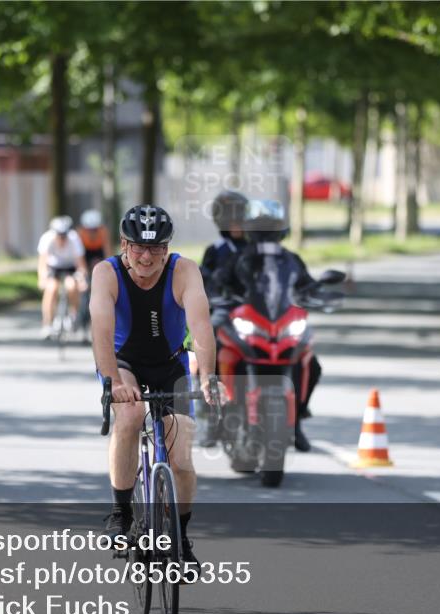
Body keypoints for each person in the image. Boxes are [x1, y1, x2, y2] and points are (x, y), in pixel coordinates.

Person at [89, 204, 223, 566]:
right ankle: (121, 513)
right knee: (130, 417)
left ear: (166, 248)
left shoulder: (184, 270)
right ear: (124, 246)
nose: (147, 257)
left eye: (156, 248)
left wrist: (208, 375)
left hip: (170, 363)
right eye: (138, 247)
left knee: (180, 458)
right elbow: (100, 331)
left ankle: (181, 537)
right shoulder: (107, 273)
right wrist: (113, 381)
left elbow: (201, 326)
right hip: (123, 363)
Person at [218, 199, 323, 453]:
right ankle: (217, 410)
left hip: (281, 326)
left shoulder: (291, 260)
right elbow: (218, 281)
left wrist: (317, 294)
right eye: (260, 226)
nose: (266, 231)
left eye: (271, 225)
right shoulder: (239, 258)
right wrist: (215, 292)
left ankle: (296, 420)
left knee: (311, 364)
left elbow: (306, 286)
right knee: (214, 345)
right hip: (248, 323)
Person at [38, 215, 88, 340]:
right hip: (53, 267)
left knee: (71, 286)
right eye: (59, 235)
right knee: (51, 288)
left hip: (70, 267)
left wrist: (82, 279)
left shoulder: (74, 238)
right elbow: (42, 263)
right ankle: (47, 323)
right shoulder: (47, 239)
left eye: (64, 235)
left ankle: (73, 315)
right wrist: (42, 279)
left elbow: (81, 264)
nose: (62, 238)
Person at [199, 190, 250, 300]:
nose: (236, 227)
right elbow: (206, 283)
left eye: (239, 221)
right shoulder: (215, 250)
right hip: (224, 305)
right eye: (231, 223)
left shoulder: (253, 247)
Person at [76, 209, 112, 334]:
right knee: (82, 280)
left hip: (98, 253)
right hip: (84, 253)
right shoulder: (79, 234)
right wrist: (82, 272)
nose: (92, 232)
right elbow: (78, 257)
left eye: (94, 229)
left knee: (99, 270)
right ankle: (78, 312)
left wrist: (107, 270)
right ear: (84, 228)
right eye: (89, 230)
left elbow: (107, 252)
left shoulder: (103, 233)